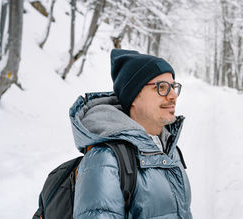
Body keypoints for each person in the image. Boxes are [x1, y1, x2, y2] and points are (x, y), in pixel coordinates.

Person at [70, 49, 192, 218]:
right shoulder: (106, 160)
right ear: (134, 96)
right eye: (161, 87)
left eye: (173, 87)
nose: (172, 96)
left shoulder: (169, 149)